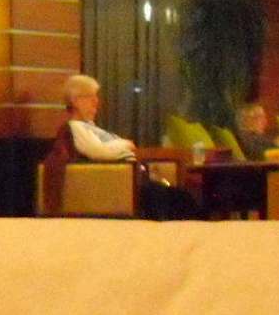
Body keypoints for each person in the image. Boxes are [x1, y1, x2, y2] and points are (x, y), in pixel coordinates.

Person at [55, 73, 201, 219]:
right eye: (90, 97)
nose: (96, 102)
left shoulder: (91, 127)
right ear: (75, 101)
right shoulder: (76, 127)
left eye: (96, 97)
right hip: (120, 181)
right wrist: (125, 144)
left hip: (132, 177)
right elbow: (99, 151)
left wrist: (121, 145)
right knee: (161, 195)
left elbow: (111, 148)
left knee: (182, 196)